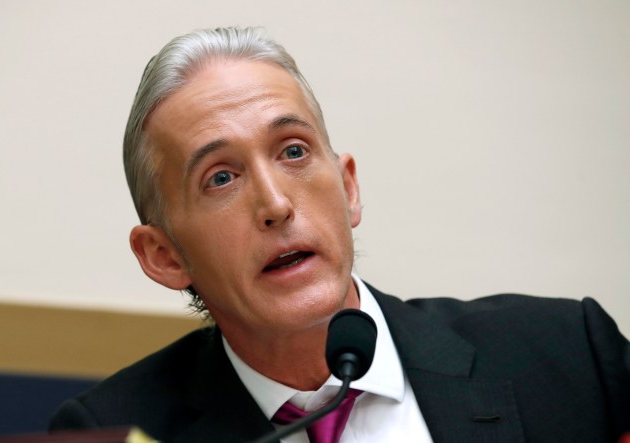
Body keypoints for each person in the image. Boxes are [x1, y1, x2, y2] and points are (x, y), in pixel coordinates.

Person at [50, 27, 630, 442]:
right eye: (220, 177)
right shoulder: (113, 430)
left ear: (348, 188)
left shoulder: (568, 357)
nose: (275, 204)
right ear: (165, 255)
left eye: (294, 151)